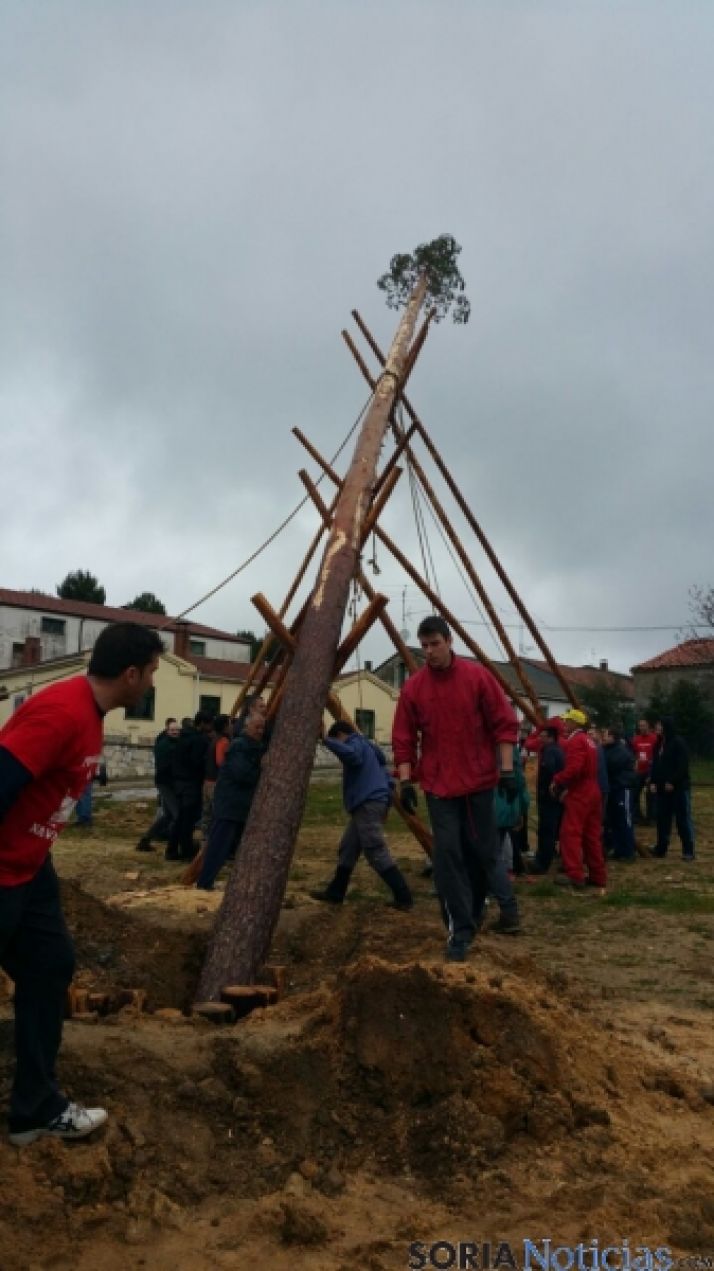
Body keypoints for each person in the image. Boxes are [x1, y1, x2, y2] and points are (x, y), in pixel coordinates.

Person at [0, 622, 162, 1145]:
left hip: (30, 868)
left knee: (50, 966)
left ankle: (35, 1111)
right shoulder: (60, 712)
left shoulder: (91, 715)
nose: (154, 684)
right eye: (154, 672)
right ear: (131, 674)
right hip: (1, 870)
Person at [392, 615, 520, 961]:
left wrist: (507, 771)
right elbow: (403, 737)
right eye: (424, 646)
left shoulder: (478, 678)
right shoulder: (415, 688)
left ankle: (476, 911)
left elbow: (504, 723)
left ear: (450, 642)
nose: (430, 651)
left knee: (482, 855)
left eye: (435, 644)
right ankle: (459, 930)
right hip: (439, 785)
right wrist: (405, 780)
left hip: (478, 782)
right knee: (447, 856)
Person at [310, 721, 413, 910]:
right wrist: (386, 804)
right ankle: (335, 892)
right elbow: (387, 779)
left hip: (367, 802)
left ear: (341, 735)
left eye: (337, 741)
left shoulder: (355, 743)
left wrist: (326, 740)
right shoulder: (371, 749)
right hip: (370, 803)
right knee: (348, 847)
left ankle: (403, 895)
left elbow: (353, 757)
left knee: (374, 849)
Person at [196, 707, 266, 890]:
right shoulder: (239, 746)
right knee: (219, 845)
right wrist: (263, 768)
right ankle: (204, 882)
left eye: (262, 728)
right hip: (230, 805)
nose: (260, 731)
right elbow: (242, 774)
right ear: (247, 727)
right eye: (256, 727)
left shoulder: (254, 746)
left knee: (232, 847)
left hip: (240, 806)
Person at [550, 709, 607, 892]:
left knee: (570, 833)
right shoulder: (590, 741)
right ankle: (598, 875)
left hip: (581, 790)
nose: (565, 724)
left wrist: (557, 779)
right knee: (592, 835)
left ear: (575, 723)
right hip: (593, 789)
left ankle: (575, 875)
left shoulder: (576, 741)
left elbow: (575, 767)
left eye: (567, 721)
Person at [165, 711, 213, 862]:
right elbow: (196, 762)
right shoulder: (198, 740)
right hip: (190, 783)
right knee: (187, 820)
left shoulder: (183, 737)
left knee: (180, 819)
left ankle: (172, 849)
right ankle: (185, 850)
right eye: (209, 723)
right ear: (203, 724)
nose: (210, 727)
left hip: (179, 782)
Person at [649, 717, 695, 860]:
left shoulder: (678, 743)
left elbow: (682, 765)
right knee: (662, 819)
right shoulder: (658, 744)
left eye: (659, 725)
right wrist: (653, 781)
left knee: (682, 819)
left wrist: (673, 781)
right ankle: (661, 848)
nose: (656, 727)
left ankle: (688, 850)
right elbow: (656, 765)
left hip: (679, 788)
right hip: (662, 788)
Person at [136, 718, 180, 852]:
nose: (175, 732)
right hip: (166, 783)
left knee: (167, 816)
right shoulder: (166, 745)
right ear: (167, 731)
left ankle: (145, 840)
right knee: (177, 815)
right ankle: (174, 848)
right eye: (172, 730)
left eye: (176, 730)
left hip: (165, 783)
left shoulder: (166, 742)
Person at [527, 722, 565, 875]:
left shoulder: (550, 752)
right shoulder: (557, 750)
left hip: (549, 797)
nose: (540, 739)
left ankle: (542, 863)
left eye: (543, 736)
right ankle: (543, 858)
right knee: (549, 829)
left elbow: (549, 770)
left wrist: (548, 788)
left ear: (551, 738)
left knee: (546, 830)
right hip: (553, 796)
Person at [602, 726, 637, 861]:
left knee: (624, 821)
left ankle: (628, 852)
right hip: (613, 789)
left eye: (605, 735)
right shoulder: (608, 750)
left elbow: (609, 766)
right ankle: (618, 849)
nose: (603, 738)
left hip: (623, 789)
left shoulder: (620, 752)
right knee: (614, 821)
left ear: (613, 737)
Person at [630, 718, 658, 825]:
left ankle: (651, 817)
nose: (641, 728)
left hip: (650, 771)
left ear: (648, 726)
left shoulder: (654, 739)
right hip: (639, 771)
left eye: (643, 725)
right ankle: (638, 817)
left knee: (650, 795)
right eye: (640, 726)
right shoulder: (635, 739)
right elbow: (633, 753)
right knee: (635, 793)